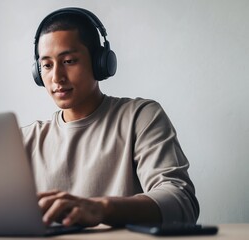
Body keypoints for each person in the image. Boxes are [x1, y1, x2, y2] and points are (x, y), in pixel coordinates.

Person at [21, 7, 199, 228]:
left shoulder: (140, 117)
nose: (56, 77)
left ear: (100, 63)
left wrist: (102, 208)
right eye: (46, 65)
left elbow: (181, 203)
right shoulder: (24, 140)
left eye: (69, 61)